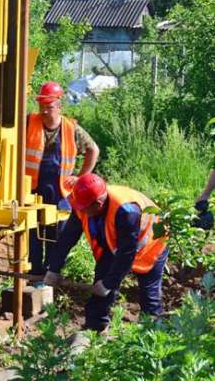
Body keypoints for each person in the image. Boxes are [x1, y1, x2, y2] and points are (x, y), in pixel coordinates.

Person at [43, 173, 168, 332]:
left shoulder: (127, 211)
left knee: (149, 296)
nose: (80, 210)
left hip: (152, 245)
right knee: (99, 296)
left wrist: (109, 283)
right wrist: (54, 268)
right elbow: (68, 237)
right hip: (116, 245)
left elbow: (126, 253)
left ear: (98, 204)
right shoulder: (82, 204)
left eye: (84, 208)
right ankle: (95, 331)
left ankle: (153, 336)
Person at [26, 81, 100, 275]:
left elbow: (93, 150)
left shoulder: (71, 129)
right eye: (41, 106)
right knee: (33, 233)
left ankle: (52, 275)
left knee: (58, 235)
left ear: (59, 105)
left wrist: (81, 177)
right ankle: (34, 272)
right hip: (33, 190)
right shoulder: (28, 123)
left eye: (49, 107)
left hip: (61, 193)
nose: (44, 111)